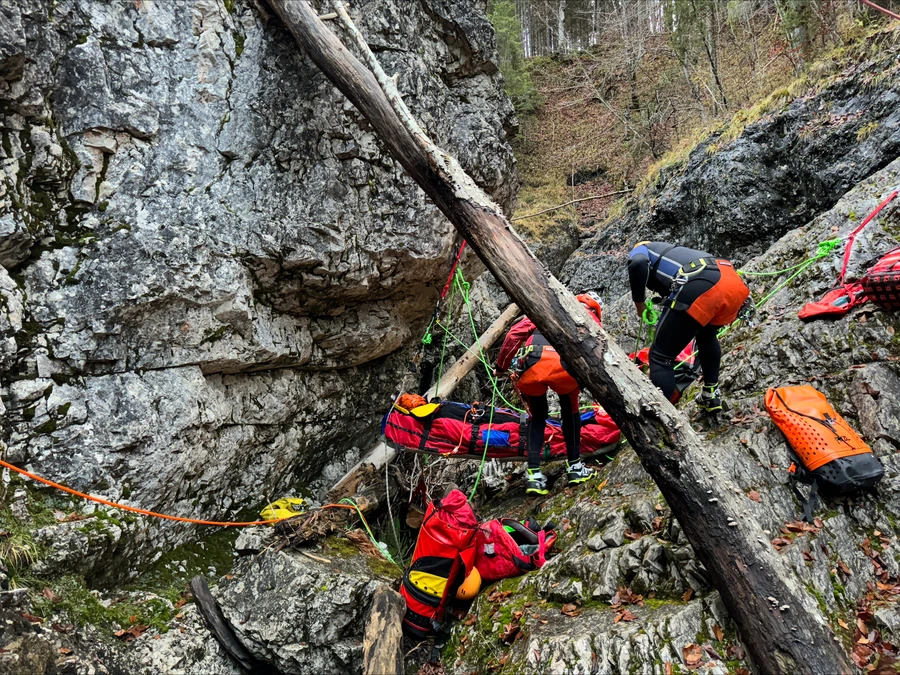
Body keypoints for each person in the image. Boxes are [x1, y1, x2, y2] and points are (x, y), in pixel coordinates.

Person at [495, 292, 604, 495]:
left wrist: (501, 367)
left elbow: (513, 335)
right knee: (570, 411)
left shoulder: (550, 306)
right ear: (596, 309)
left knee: (537, 417)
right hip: (564, 368)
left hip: (532, 364)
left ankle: (533, 476)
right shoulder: (592, 319)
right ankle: (575, 467)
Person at [627, 241, 750, 412]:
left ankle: (661, 415)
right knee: (706, 336)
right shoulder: (675, 252)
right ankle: (711, 394)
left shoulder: (642, 249)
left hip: (701, 282)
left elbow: (637, 263)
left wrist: (639, 305)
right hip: (733, 284)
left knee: (661, 356)